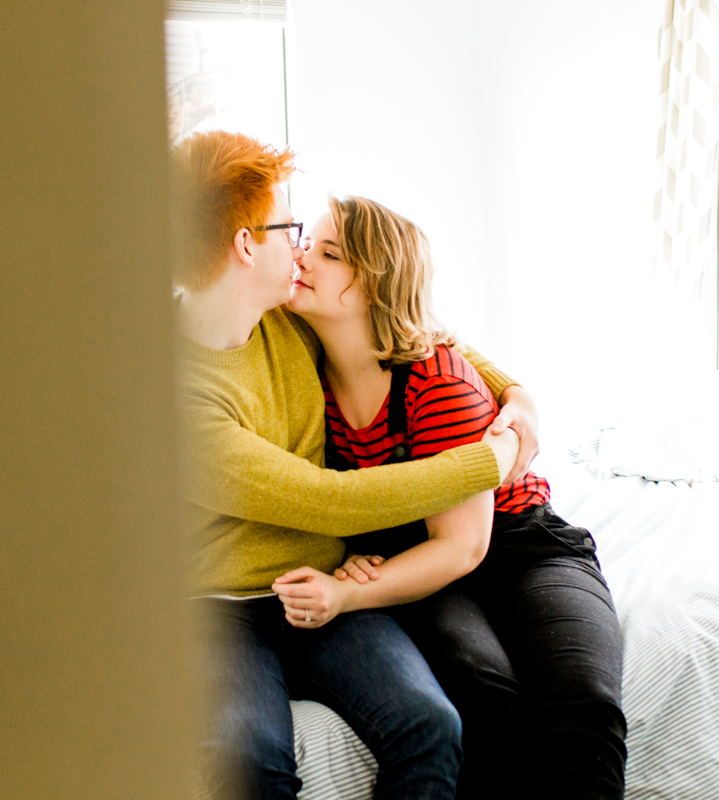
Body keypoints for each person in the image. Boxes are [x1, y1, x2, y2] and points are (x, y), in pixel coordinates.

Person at [174, 130, 537, 800]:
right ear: (247, 245)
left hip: (321, 584)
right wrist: (492, 459)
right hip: (218, 607)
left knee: (430, 724)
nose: (302, 247)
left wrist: (515, 391)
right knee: (248, 758)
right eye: (289, 228)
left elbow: (406, 322)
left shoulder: (286, 315)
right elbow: (329, 500)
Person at [271, 196, 628, 800]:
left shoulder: (436, 381)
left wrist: (349, 592)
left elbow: (465, 547)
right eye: (309, 243)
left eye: (328, 254)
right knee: (486, 692)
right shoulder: (301, 362)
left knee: (584, 705)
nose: (302, 257)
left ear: (377, 289)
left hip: (520, 545)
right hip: (423, 558)